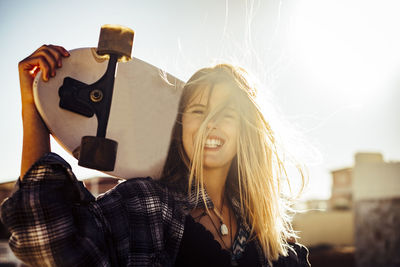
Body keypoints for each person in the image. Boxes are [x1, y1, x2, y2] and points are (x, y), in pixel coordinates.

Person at [0, 45, 310, 267]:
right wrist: (34, 108)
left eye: (226, 114)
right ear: (181, 125)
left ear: (246, 131)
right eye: (199, 111)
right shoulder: (145, 203)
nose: (209, 124)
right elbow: (44, 240)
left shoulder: (270, 237)